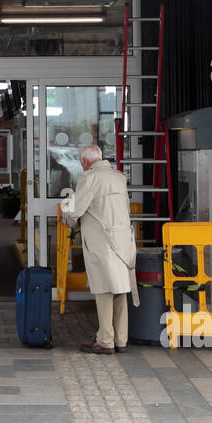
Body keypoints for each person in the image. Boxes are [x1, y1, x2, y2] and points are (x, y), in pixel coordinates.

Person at [62, 143, 136, 355]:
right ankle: (121, 339)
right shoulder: (118, 177)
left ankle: (105, 340)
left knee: (104, 290)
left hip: (102, 242)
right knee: (120, 290)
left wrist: (67, 218)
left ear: (85, 162)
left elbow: (75, 210)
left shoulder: (89, 178)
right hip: (122, 240)